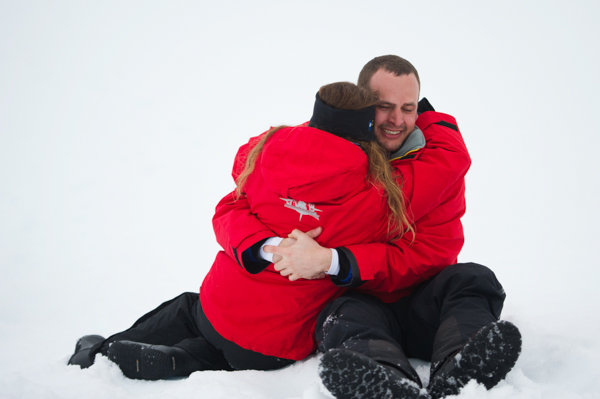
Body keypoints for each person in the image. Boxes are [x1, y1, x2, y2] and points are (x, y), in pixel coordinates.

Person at [68, 82, 426, 398]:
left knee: (189, 310)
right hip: (279, 344)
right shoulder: (379, 195)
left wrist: (266, 246)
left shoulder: (266, 151)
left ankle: (99, 353)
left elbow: (227, 210)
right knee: (230, 348)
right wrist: (434, 122)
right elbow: (427, 195)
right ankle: (182, 359)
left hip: (217, 308)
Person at [216, 55, 522, 399]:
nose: (397, 120)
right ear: (361, 106)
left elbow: (432, 251)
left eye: (408, 108)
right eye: (384, 106)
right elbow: (244, 201)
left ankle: (463, 369)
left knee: (473, 280)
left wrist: (333, 260)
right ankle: (386, 382)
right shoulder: (315, 160)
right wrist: (280, 248)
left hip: (419, 302)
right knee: (345, 314)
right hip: (359, 304)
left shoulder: (433, 165)